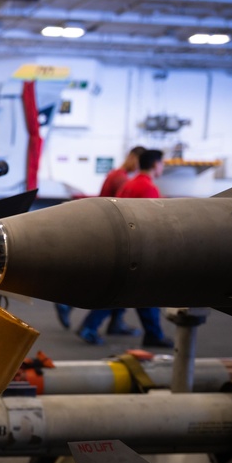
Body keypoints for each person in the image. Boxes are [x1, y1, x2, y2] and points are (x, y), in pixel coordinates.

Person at [77, 149, 173, 348]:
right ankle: (90, 326)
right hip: (139, 249)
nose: (162, 167)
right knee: (140, 292)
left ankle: (148, 333)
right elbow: (153, 224)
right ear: (155, 165)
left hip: (123, 246)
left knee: (129, 292)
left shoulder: (128, 184)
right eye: (162, 163)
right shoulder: (149, 189)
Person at [62, 146, 147, 339]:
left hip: (108, 232)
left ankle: (115, 322)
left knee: (113, 281)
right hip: (114, 236)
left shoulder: (118, 175)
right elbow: (122, 210)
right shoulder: (122, 179)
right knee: (112, 282)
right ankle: (69, 306)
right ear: (133, 158)